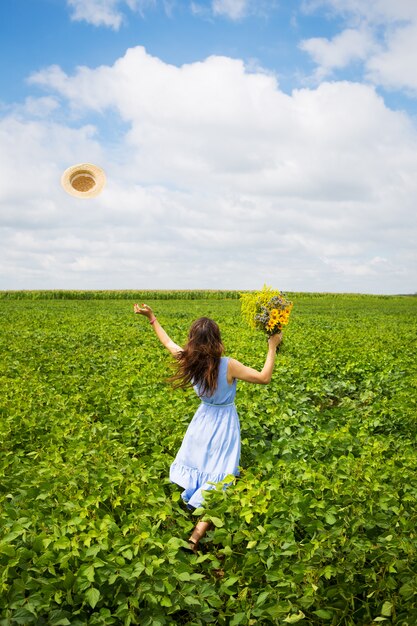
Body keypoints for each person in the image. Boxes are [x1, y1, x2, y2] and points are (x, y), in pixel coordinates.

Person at [134, 303, 282, 552]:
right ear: (217, 340)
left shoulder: (189, 361)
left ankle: (187, 512)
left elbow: (167, 342)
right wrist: (272, 346)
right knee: (220, 479)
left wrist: (152, 318)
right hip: (224, 427)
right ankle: (194, 538)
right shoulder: (228, 364)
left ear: (193, 340)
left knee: (202, 469)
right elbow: (264, 377)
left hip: (200, 425)